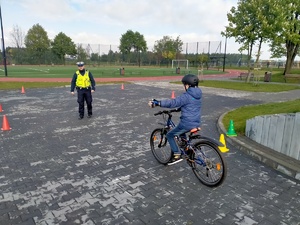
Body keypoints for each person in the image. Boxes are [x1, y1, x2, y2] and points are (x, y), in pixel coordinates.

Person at [148, 74, 202, 165]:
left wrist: (158, 103)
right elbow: (191, 105)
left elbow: (173, 102)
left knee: (169, 135)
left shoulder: (186, 96)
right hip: (196, 122)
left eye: (184, 85)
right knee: (181, 131)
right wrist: (179, 108)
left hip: (187, 123)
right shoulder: (198, 95)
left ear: (187, 85)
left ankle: (177, 154)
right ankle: (186, 149)